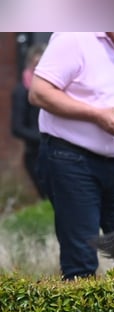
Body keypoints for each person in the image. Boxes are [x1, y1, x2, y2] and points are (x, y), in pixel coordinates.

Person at [29, 32, 114, 281]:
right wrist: (97, 115)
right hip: (71, 158)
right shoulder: (73, 37)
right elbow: (39, 93)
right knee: (81, 259)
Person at [11, 43, 47, 200]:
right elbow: (17, 127)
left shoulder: (56, 90)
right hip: (35, 153)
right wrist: (42, 137)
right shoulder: (22, 91)